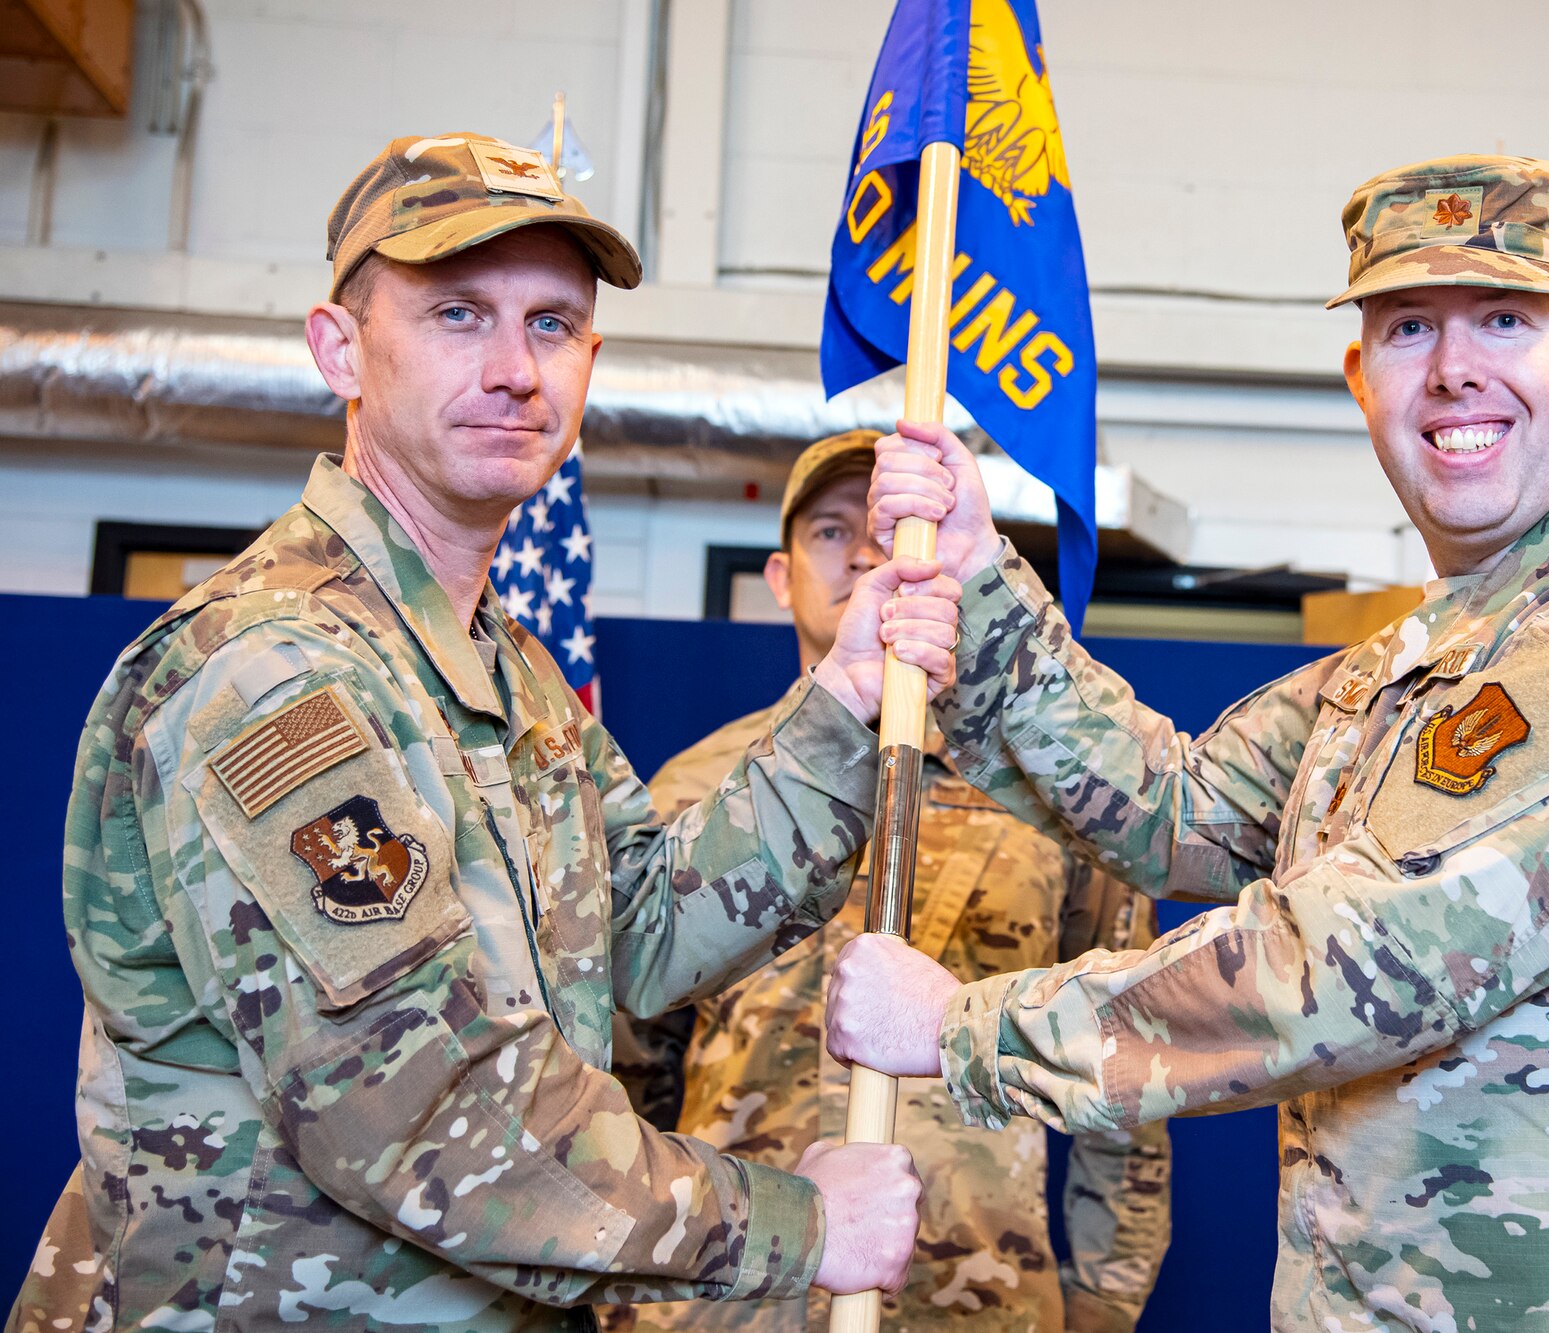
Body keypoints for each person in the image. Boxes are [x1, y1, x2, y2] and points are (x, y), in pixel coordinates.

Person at [828, 156, 1549, 1331]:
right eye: (1404, 328)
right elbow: (1178, 811)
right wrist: (980, 583)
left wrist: (961, 1030)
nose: (1452, 370)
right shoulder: (1419, 660)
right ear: (1360, 377)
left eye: (1503, 319)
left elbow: (1347, 966)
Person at [9, 133, 962, 1333]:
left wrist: (843, 701)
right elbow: (418, 1108)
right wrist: (796, 1222)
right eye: (458, 313)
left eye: (552, 324)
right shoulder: (277, 669)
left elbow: (646, 932)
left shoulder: (502, 675)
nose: (515, 368)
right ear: (338, 347)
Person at [601, 432, 1172, 1333]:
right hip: (732, 1300)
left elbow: (1123, 1073)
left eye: (901, 523)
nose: (870, 550)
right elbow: (629, 1073)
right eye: (833, 530)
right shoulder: (693, 792)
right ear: (781, 576)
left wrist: (1104, 1300)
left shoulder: (1040, 797)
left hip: (978, 1295)